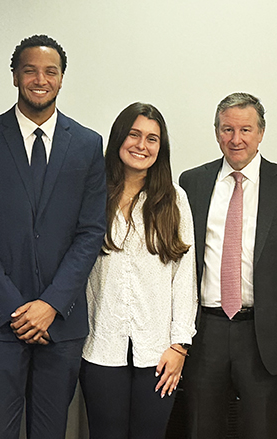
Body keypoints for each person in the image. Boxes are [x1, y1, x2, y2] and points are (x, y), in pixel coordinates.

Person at [0, 34, 106, 439]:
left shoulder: (88, 145)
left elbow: (90, 232)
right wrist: (15, 308)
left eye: (50, 72)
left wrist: (50, 305)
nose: (40, 79)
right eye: (30, 70)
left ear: (61, 79)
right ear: (14, 76)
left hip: (61, 324)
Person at [179, 92, 277, 439]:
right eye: (227, 129)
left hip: (266, 335)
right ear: (216, 132)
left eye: (245, 129)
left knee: (260, 430)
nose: (236, 139)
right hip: (205, 331)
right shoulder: (192, 184)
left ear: (261, 133)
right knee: (201, 429)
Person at [79, 103, 197, 439]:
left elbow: (184, 278)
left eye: (152, 139)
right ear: (119, 138)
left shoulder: (174, 200)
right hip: (100, 348)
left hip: (158, 353)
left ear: (161, 148)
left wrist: (179, 347)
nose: (141, 146)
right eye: (134, 135)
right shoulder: (92, 195)